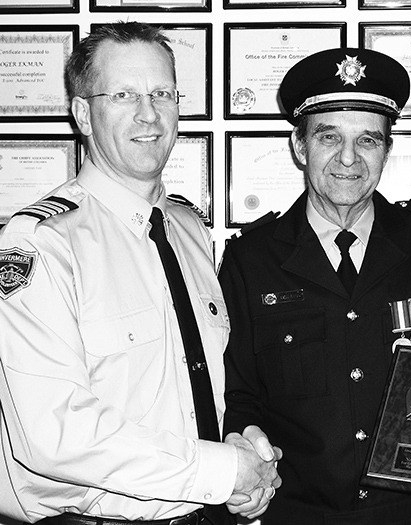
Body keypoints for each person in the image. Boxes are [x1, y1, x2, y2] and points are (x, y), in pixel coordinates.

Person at [0, 22, 281, 524]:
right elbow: (55, 432)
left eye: (162, 93)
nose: (148, 114)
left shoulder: (190, 229)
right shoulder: (41, 243)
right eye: (124, 94)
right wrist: (218, 470)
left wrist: (239, 446)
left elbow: (198, 389)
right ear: (84, 113)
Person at [217, 47, 411, 524]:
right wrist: (245, 445)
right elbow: (239, 395)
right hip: (302, 514)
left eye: (368, 141)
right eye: (328, 137)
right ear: (300, 146)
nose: (348, 159)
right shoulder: (251, 260)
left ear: (387, 150)